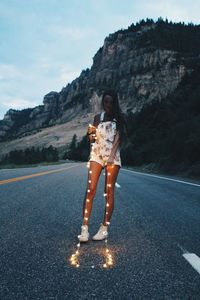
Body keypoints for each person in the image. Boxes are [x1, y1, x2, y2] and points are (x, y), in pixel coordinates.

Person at [77, 90, 127, 242]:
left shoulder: (119, 117)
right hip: (97, 155)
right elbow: (92, 139)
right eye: (105, 101)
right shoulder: (98, 118)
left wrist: (111, 156)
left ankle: (104, 228)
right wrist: (90, 135)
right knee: (90, 189)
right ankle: (84, 229)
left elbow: (118, 137)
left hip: (112, 155)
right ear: (103, 102)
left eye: (111, 102)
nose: (108, 105)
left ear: (115, 103)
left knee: (108, 191)